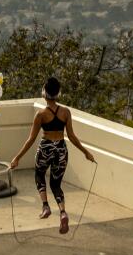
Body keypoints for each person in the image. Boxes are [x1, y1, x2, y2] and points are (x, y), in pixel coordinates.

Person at [10, 77, 95, 234]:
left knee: (39, 175)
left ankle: (45, 206)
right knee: (56, 184)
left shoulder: (40, 115)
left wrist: (17, 158)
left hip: (46, 148)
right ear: (58, 93)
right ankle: (63, 212)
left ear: (44, 93)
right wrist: (86, 153)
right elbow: (72, 136)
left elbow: (31, 139)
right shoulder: (66, 112)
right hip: (61, 150)